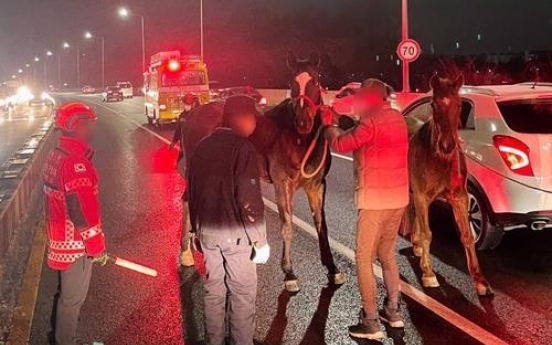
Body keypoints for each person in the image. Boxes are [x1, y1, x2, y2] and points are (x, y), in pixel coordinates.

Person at [321, 79, 409, 340]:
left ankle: (370, 320)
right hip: (398, 199)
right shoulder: (398, 119)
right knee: (387, 252)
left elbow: (340, 144)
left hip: (375, 202)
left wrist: (330, 124)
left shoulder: (370, 123)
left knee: (363, 258)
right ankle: (393, 310)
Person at [188, 95, 270, 345]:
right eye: (252, 117)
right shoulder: (242, 147)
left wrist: (195, 230)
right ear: (240, 118)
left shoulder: (202, 145)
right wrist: (260, 240)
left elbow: (192, 190)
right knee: (242, 293)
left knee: (213, 292)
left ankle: (214, 341)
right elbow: (249, 197)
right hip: (236, 236)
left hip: (207, 233)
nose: (254, 122)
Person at [43, 102, 108, 345]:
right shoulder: (74, 163)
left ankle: (61, 337)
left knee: (66, 296)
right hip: (75, 244)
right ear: (76, 125)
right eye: (89, 124)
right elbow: (81, 211)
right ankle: (65, 341)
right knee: (72, 300)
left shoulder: (56, 154)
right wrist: (96, 247)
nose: (92, 129)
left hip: (59, 237)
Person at [169, 94, 201, 267]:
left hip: (194, 153)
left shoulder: (197, 116)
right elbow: (177, 132)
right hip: (186, 152)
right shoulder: (183, 116)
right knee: (189, 196)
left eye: (189, 103)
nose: (187, 106)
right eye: (185, 103)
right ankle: (186, 243)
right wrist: (173, 143)